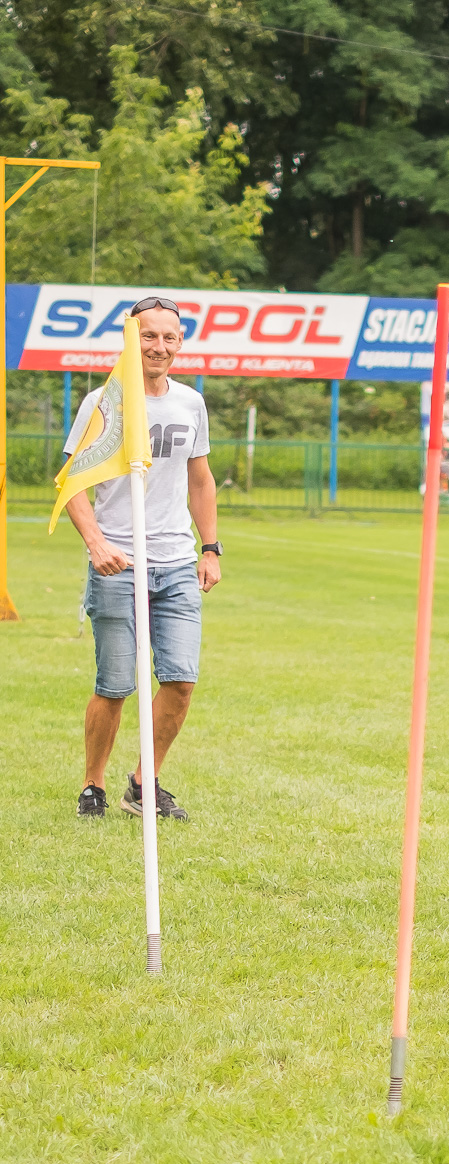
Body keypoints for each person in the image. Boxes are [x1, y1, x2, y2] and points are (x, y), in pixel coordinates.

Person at [64, 297, 221, 821]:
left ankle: (143, 783)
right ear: (131, 339)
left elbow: (200, 480)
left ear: (180, 343)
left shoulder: (190, 403)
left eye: (168, 337)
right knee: (115, 684)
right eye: (147, 336)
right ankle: (93, 785)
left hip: (176, 561)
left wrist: (210, 546)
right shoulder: (103, 403)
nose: (158, 346)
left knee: (180, 681)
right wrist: (97, 545)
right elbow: (72, 486)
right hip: (118, 563)